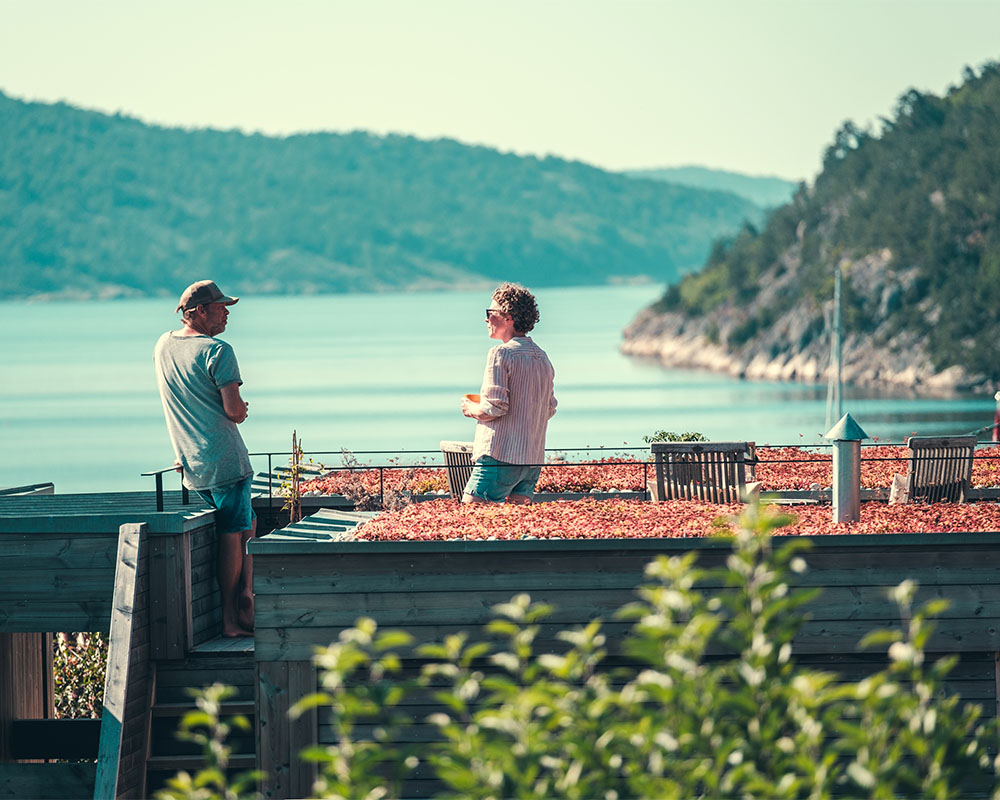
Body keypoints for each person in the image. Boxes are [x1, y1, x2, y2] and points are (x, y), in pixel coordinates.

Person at [153, 280, 255, 638]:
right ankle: (231, 617)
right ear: (200, 311)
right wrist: (244, 410)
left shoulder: (163, 345)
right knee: (232, 534)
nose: (226, 313)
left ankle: (247, 591)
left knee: (248, 521)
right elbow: (234, 410)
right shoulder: (219, 351)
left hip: (190, 464)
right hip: (225, 461)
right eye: (221, 307)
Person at [461, 282, 557, 504]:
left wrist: (470, 408)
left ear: (508, 317)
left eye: (491, 313)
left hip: (499, 456)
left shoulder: (501, 354)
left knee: (470, 517)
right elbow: (549, 408)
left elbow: (494, 407)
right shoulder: (542, 357)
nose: (486, 319)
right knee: (514, 522)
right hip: (531, 460)